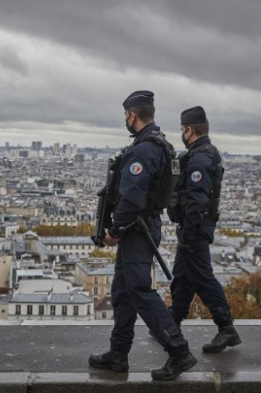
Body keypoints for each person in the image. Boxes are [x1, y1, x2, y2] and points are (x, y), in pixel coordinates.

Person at [88, 90, 197, 381]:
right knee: (122, 293)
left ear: (132, 115)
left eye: (126, 115)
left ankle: (178, 350)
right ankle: (118, 354)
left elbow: (132, 199)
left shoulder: (143, 150)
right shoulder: (160, 144)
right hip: (143, 226)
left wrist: (113, 231)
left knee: (139, 291)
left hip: (137, 229)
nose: (126, 119)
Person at [167, 106, 241, 353]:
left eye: (182, 130)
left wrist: (188, 234)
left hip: (195, 227)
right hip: (193, 226)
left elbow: (196, 201)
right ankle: (171, 324)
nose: (181, 134)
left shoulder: (200, 158)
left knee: (201, 278)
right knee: (183, 277)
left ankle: (226, 328)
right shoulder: (202, 153)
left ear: (190, 130)